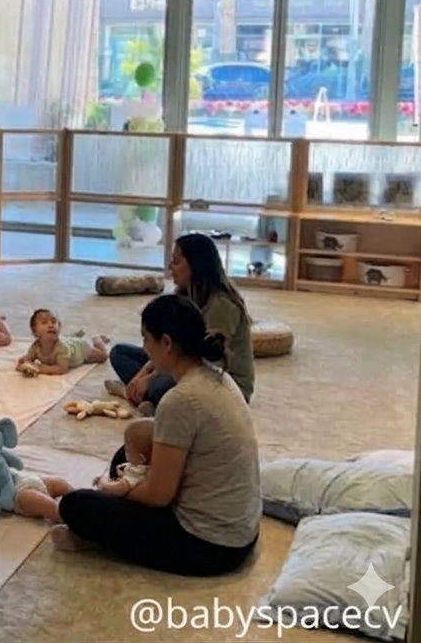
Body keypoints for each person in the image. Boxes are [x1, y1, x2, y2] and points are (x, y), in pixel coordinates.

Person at [54, 294, 261, 577]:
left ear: (166, 343)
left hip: (210, 546)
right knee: (123, 456)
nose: (144, 348)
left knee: (76, 505)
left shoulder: (181, 399)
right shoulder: (219, 377)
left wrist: (117, 490)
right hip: (241, 529)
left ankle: (100, 532)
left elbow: (158, 496)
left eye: (146, 339)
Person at [105, 232, 255, 415]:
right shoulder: (184, 296)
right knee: (119, 353)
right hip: (182, 366)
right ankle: (144, 395)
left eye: (176, 262)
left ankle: (143, 396)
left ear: (196, 265)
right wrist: (141, 375)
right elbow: (166, 348)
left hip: (218, 380)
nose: (170, 267)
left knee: (163, 385)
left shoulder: (221, 305)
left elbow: (202, 363)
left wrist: (150, 379)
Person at [15, 308, 110, 376]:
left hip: (81, 349)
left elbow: (61, 369)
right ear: (35, 333)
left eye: (53, 322)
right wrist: (24, 365)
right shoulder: (35, 347)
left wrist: (40, 368)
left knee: (103, 356)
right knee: (69, 339)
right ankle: (73, 336)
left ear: (59, 327)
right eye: (44, 322)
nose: (50, 325)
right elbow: (28, 360)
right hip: (69, 342)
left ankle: (98, 339)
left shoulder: (62, 347)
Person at [92, 419, 152, 497]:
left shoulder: (137, 472)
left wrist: (103, 483)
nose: (125, 453)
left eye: (127, 451)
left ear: (141, 459)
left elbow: (121, 488)